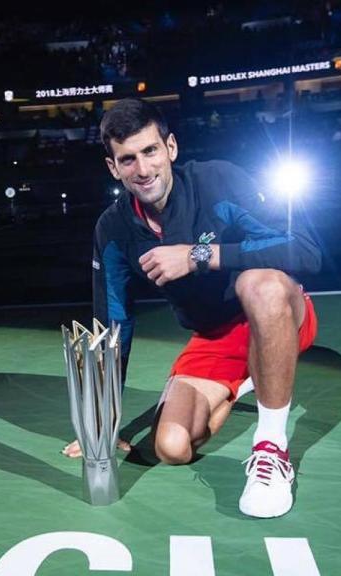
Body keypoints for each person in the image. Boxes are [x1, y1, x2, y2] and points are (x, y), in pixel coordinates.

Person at [64, 99, 322, 518]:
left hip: (278, 313)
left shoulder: (217, 181)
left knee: (259, 284)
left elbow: (305, 250)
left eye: (150, 151)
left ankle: (272, 447)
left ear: (170, 147)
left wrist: (197, 255)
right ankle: (253, 375)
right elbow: (113, 324)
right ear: (113, 168)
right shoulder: (113, 229)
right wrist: (102, 425)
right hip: (215, 338)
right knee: (171, 447)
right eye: (128, 159)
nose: (143, 169)